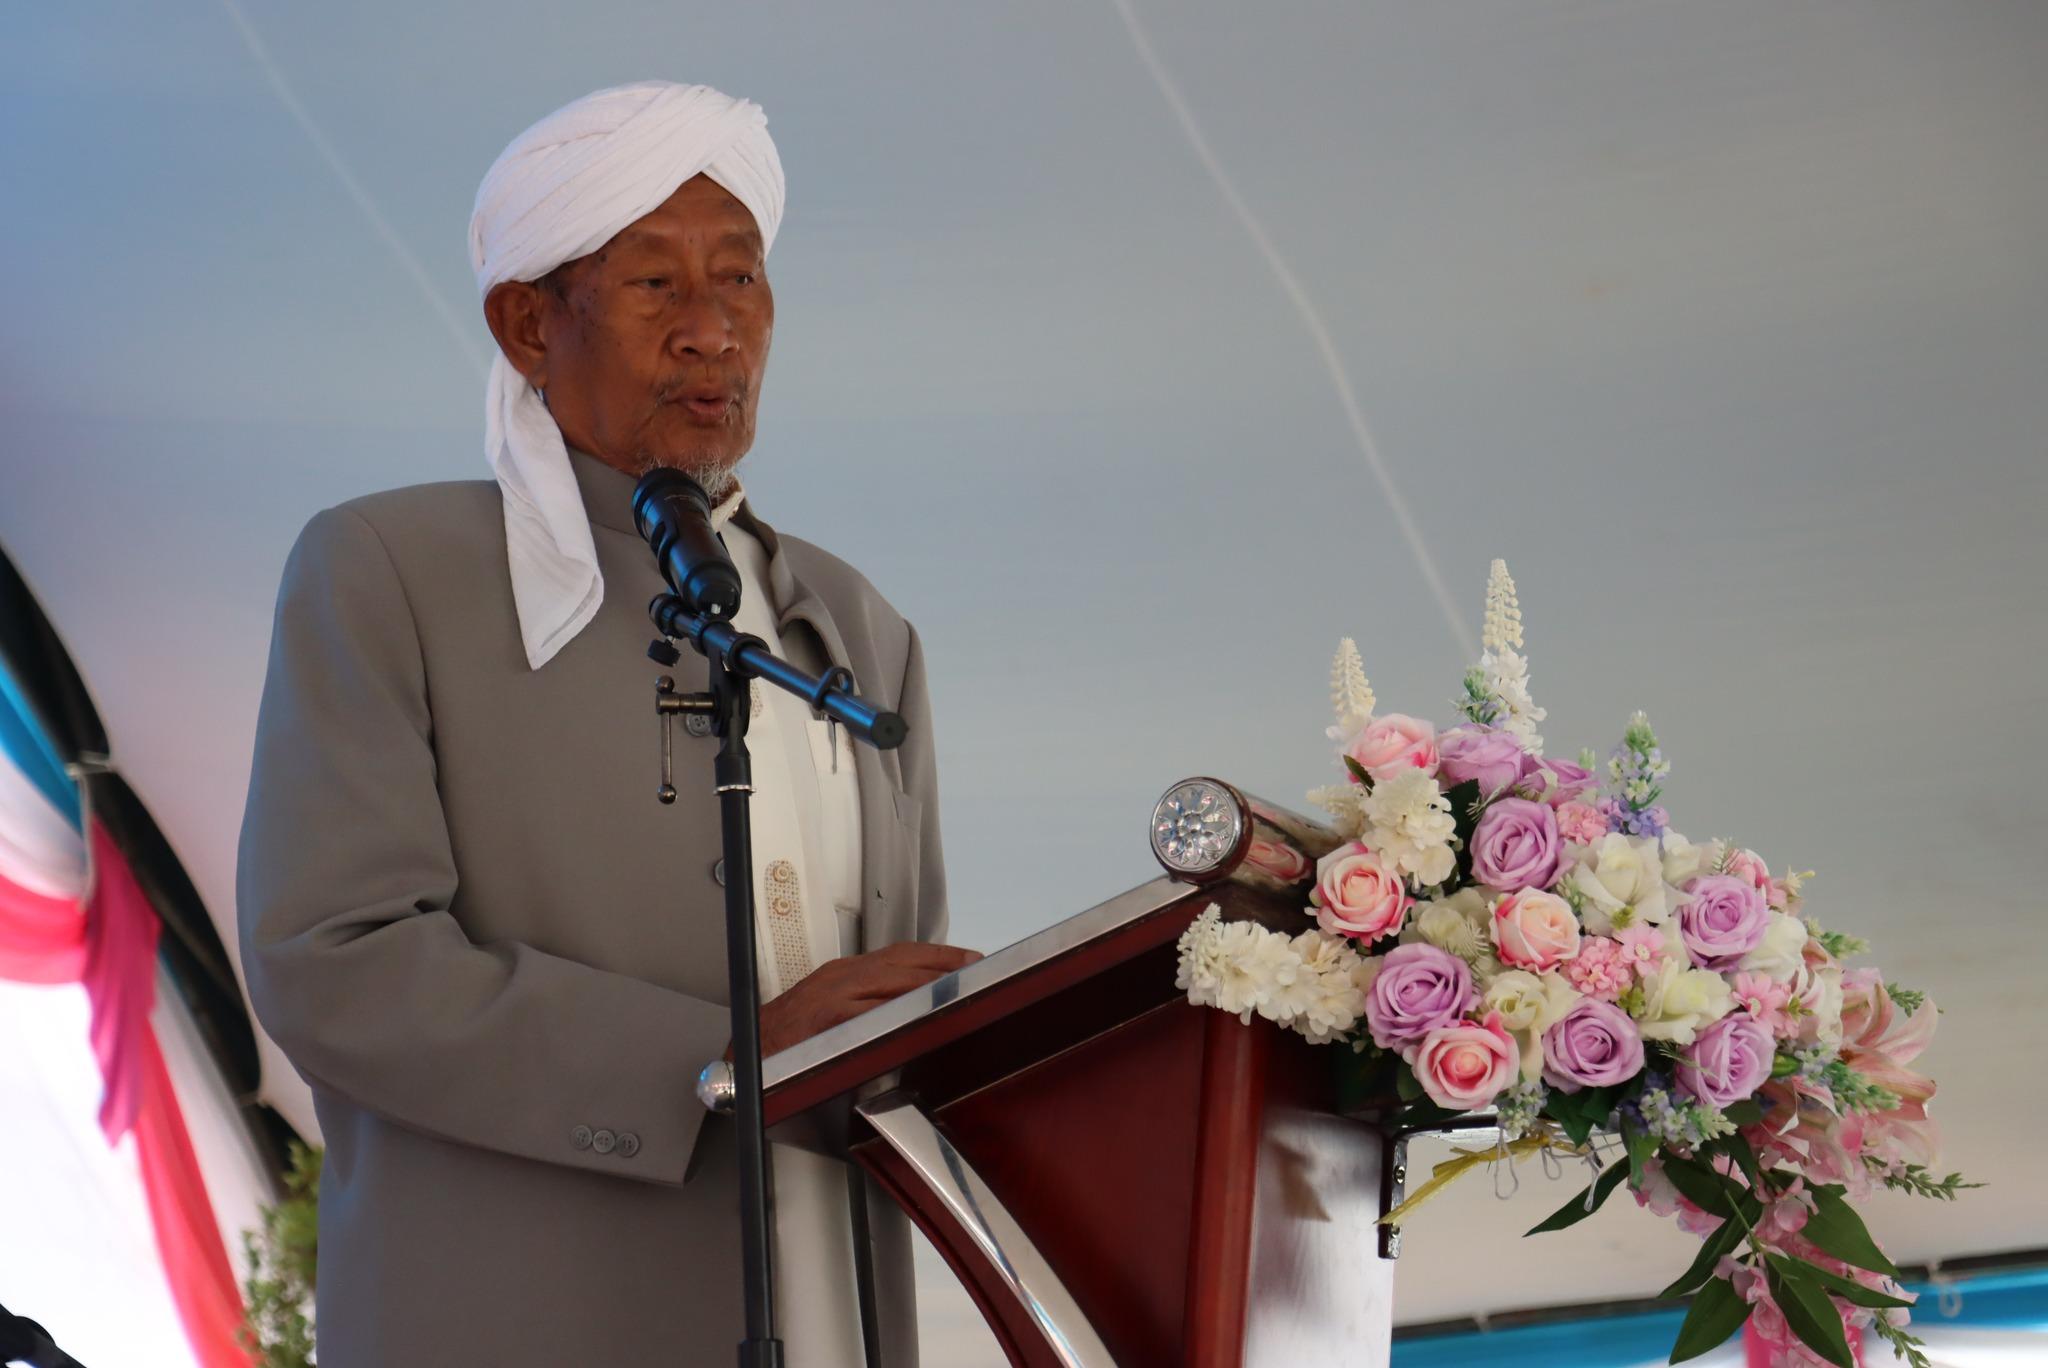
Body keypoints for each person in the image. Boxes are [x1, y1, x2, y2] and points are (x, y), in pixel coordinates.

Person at [237, 79, 976, 1367]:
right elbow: (333, 961)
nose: (711, 332)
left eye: (739, 278)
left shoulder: (862, 630)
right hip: (525, 1320)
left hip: (833, 1313)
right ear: (529, 324)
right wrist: (721, 1058)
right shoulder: (391, 570)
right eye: (654, 286)